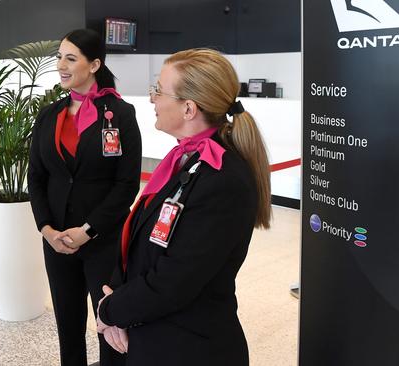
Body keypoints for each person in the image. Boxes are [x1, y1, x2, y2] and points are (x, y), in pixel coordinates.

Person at [96, 48, 272, 365]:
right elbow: (140, 242)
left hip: (190, 348)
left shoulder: (223, 181)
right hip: (154, 336)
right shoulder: (186, 161)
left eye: (159, 90)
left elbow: (174, 282)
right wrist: (117, 302)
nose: (152, 98)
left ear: (189, 108)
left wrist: (109, 311)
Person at [28, 28, 142, 366]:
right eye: (59, 57)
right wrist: (47, 229)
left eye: (70, 58)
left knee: (110, 325)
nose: (60, 65)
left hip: (103, 240)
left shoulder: (120, 115)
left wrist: (88, 230)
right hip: (58, 240)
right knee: (68, 323)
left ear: (94, 65)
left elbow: (126, 185)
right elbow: (36, 177)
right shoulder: (49, 116)